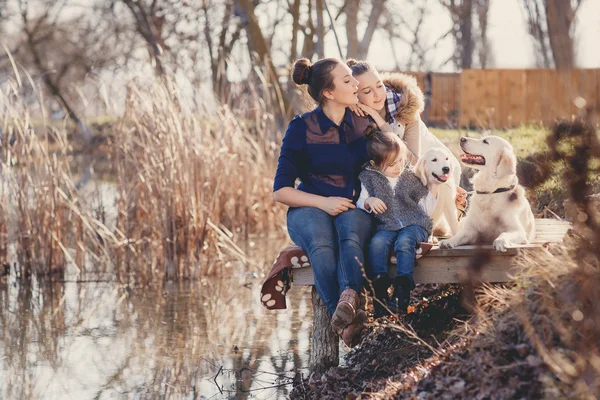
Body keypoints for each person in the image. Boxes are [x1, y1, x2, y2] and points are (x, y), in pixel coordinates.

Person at [273, 57, 374, 347]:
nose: (356, 84)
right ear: (328, 93)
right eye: (347, 81)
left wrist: (372, 114)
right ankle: (344, 321)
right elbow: (281, 190)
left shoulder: (362, 122)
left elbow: (396, 149)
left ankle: (349, 298)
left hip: (353, 206)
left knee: (350, 233)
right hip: (308, 205)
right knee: (320, 243)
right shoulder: (301, 127)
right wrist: (324, 202)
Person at [346, 59, 461, 185]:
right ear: (355, 95)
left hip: (440, 170)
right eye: (367, 91)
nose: (377, 94)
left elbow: (414, 162)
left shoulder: (406, 108)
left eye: (379, 85)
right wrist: (347, 104)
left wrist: (380, 122)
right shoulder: (356, 112)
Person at [356, 130, 433, 317]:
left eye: (400, 160)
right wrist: (369, 202)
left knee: (405, 242)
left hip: (415, 223)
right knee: (377, 244)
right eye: (392, 164)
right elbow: (360, 200)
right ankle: (379, 295)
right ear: (375, 164)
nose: (398, 167)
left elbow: (425, 201)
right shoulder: (368, 177)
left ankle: (402, 292)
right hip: (386, 225)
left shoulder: (409, 176)